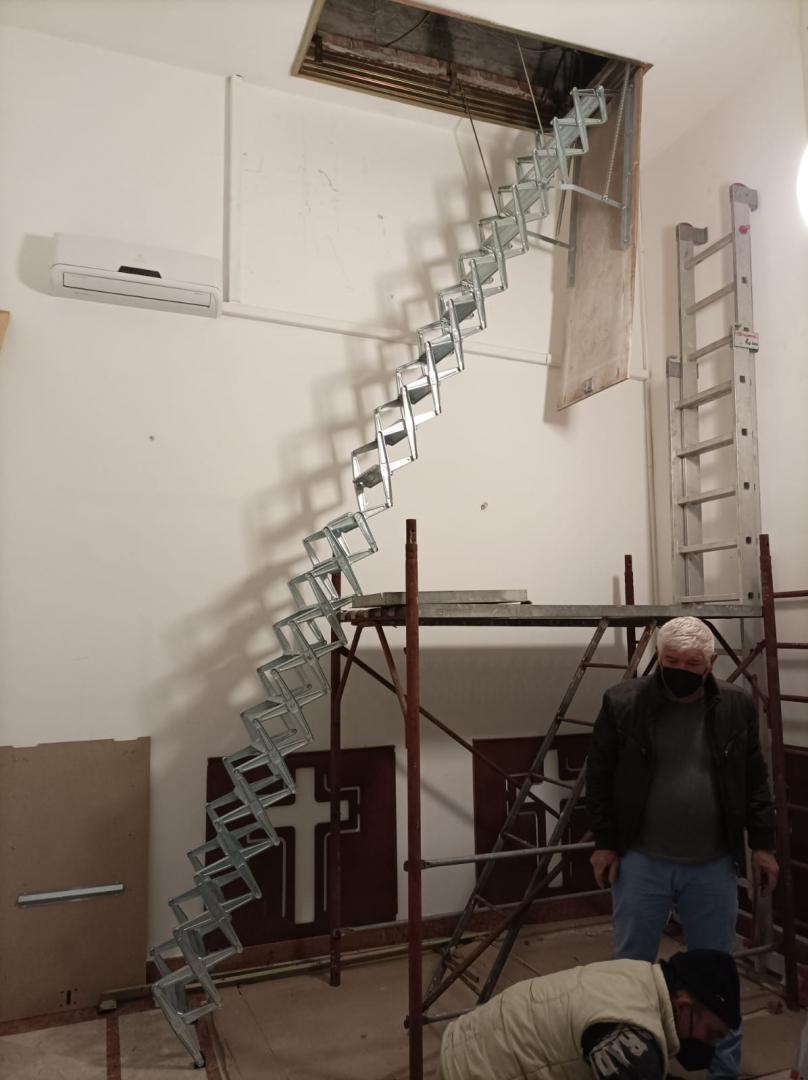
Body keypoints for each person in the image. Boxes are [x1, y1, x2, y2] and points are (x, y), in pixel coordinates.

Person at [586, 615, 778, 1080]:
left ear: (710, 664)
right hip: (642, 861)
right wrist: (605, 844)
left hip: (712, 865)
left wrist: (763, 845)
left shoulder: (735, 706)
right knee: (630, 971)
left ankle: (723, 1072)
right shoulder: (623, 702)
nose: (680, 670)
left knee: (718, 975)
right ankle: (627, 1066)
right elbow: (600, 778)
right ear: (659, 657)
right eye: (671, 660)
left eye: (691, 663)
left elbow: (754, 779)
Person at [436, 948, 740, 1079]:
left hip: (467, 1040)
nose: (710, 1044)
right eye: (711, 1033)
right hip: (472, 1072)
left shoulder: (638, 974)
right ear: (683, 1006)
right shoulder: (634, 1043)